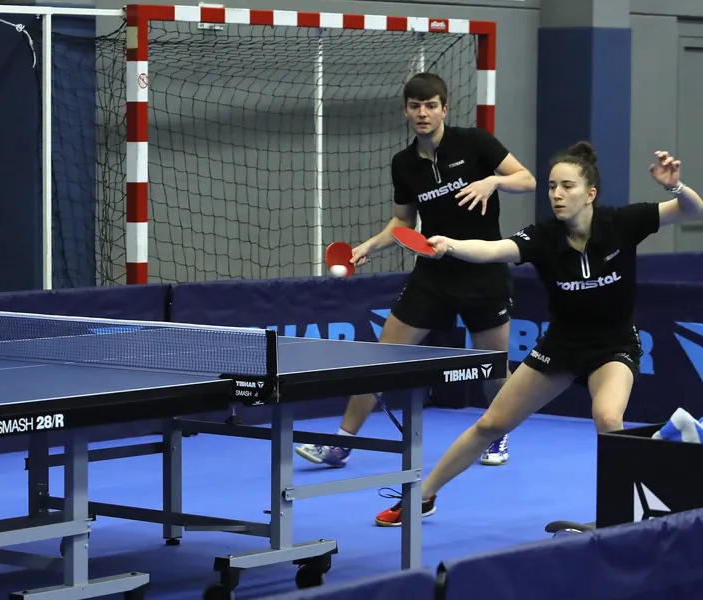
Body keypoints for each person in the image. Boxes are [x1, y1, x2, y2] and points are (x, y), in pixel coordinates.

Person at [374, 141, 703, 526]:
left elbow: (692, 210)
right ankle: (422, 496)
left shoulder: (622, 224)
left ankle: (623, 518)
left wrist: (674, 187)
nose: (557, 195)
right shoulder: (544, 237)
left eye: (567, 186)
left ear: (590, 193)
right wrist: (450, 246)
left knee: (608, 417)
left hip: (613, 346)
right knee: (490, 425)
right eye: (551, 187)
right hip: (561, 347)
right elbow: (495, 250)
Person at [295, 72, 536, 471]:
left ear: (444, 109)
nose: (423, 113)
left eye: (430, 105)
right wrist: (367, 246)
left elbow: (526, 179)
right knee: (382, 359)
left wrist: (493, 181)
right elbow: (403, 222)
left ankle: (497, 433)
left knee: (492, 365)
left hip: (483, 270)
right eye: (415, 105)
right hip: (432, 275)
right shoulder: (404, 163)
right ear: (406, 110)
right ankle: (340, 443)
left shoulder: (475, 142)